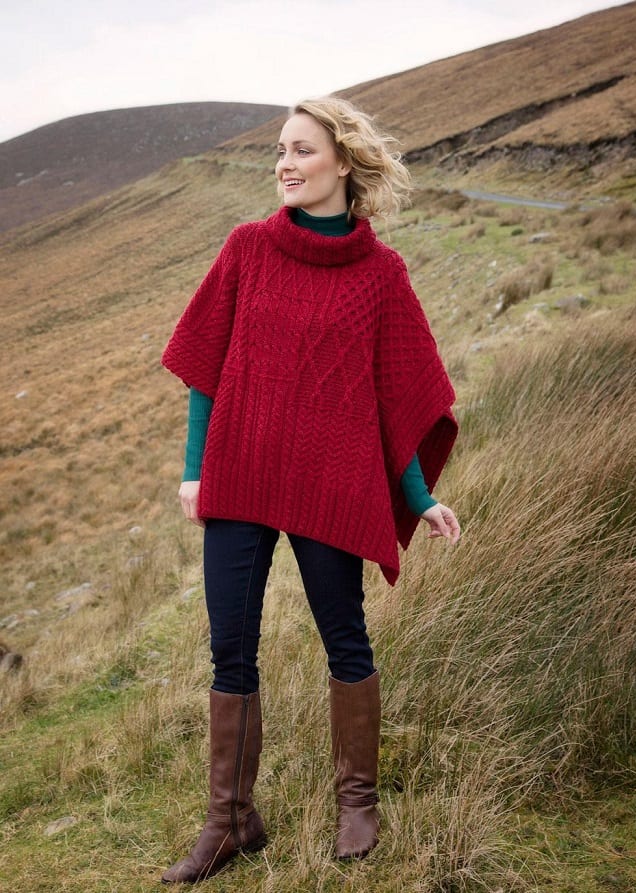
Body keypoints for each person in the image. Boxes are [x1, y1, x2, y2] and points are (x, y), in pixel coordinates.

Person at [160, 96, 460, 885]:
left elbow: (395, 399)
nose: (285, 164)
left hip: (330, 482)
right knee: (231, 646)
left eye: (300, 150)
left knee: (345, 637)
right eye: (280, 152)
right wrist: (195, 471)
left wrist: (421, 495)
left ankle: (356, 802)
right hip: (241, 473)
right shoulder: (248, 248)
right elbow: (205, 366)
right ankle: (230, 821)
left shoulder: (381, 274)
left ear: (342, 160)